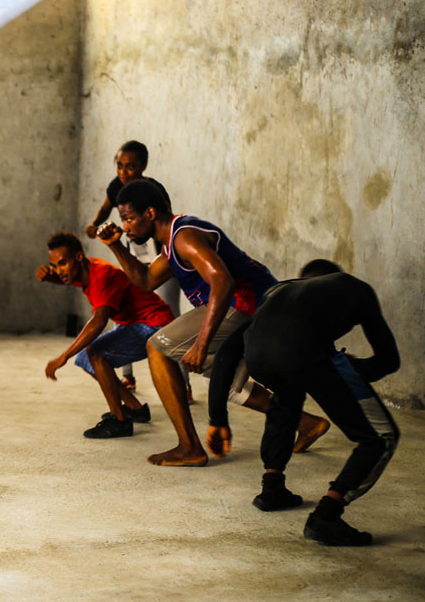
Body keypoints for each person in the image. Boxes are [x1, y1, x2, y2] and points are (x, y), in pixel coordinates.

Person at [97, 178, 329, 466]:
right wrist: (116, 246)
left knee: (157, 348)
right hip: (258, 310)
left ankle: (189, 447)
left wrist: (201, 343)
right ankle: (307, 423)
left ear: (151, 213)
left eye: (129, 218)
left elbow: (222, 282)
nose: (126, 227)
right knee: (226, 383)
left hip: (249, 307)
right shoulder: (172, 244)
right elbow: (145, 281)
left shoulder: (184, 237)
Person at [206, 259, 400, 546]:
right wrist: (348, 370)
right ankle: (327, 515)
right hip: (304, 352)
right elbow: (388, 360)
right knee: (381, 438)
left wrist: (217, 419)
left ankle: (272, 487)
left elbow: (226, 354)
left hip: (261, 359)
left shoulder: (277, 292)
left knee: (288, 393)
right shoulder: (354, 288)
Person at [36, 232, 172, 438]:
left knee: (96, 354)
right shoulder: (83, 270)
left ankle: (120, 421)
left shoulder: (101, 275)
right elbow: (66, 277)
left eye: (62, 263)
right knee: (86, 358)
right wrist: (50, 277)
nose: (59, 270)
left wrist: (64, 356)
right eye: (54, 266)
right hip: (135, 323)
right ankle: (135, 408)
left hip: (155, 325)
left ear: (78, 257)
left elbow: (98, 322)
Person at [83, 141, 185, 393]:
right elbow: (104, 208)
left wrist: (167, 256)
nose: (123, 171)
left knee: (170, 323)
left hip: (160, 261)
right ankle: (127, 376)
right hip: (134, 262)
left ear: (143, 166)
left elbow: (167, 224)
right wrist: (94, 225)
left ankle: (183, 383)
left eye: (130, 166)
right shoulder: (116, 187)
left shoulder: (153, 191)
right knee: (122, 314)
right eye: (119, 165)